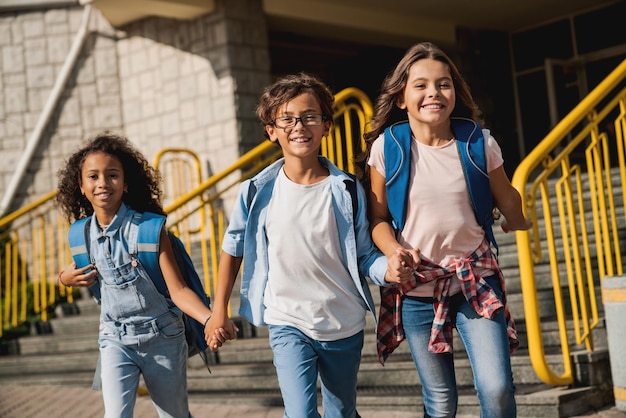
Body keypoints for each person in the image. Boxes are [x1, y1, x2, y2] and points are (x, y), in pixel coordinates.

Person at [205, 72, 413, 418]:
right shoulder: (256, 191)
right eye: (286, 119)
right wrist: (218, 309)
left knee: (341, 411)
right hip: (287, 320)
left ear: (326, 126)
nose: (298, 126)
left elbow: (363, 256)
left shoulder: (346, 190)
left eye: (309, 117)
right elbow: (233, 249)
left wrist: (389, 270)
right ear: (272, 130)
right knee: (300, 413)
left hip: (341, 323)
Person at [363, 42, 532, 418]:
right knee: (440, 402)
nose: (434, 93)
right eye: (420, 85)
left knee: (497, 388)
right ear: (402, 98)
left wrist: (517, 220)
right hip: (418, 289)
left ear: (455, 92)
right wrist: (394, 252)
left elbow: (508, 198)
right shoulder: (386, 149)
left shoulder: (478, 143)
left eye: (443, 84)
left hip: (475, 281)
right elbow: (377, 220)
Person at [56, 132, 231, 418]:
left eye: (112, 175)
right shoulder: (80, 234)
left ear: (125, 184)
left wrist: (210, 319)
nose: (102, 183)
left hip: (162, 337)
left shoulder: (149, 230)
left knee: (174, 415)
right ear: (81, 186)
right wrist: (64, 278)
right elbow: (69, 273)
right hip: (114, 338)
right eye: (93, 177)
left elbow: (178, 291)